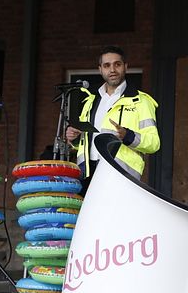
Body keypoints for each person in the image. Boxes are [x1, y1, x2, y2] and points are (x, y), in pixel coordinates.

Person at [65, 46, 160, 187]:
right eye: (107, 65)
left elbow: (153, 143)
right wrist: (76, 137)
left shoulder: (141, 101)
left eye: (117, 64)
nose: (112, 70)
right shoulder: (91, 101)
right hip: (86, 173)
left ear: (125, 67)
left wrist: (128, 135)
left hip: (120, 175)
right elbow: (86, 141)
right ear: (100, 69)